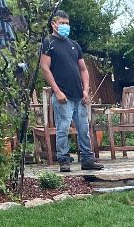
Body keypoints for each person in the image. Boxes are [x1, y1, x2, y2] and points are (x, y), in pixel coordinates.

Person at [40, 14, 103, 173]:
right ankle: (64, 161)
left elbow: (83, 69)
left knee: (83, 128)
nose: (66, 26)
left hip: (79, 96)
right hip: (63, 96)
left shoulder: (74, 45)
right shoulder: (48, 43)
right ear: (54, 24)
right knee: (63, 128)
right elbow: (45, 69)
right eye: (62, 23)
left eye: (67, 23)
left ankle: (87, 160)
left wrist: (86, 90)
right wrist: (57, 91)